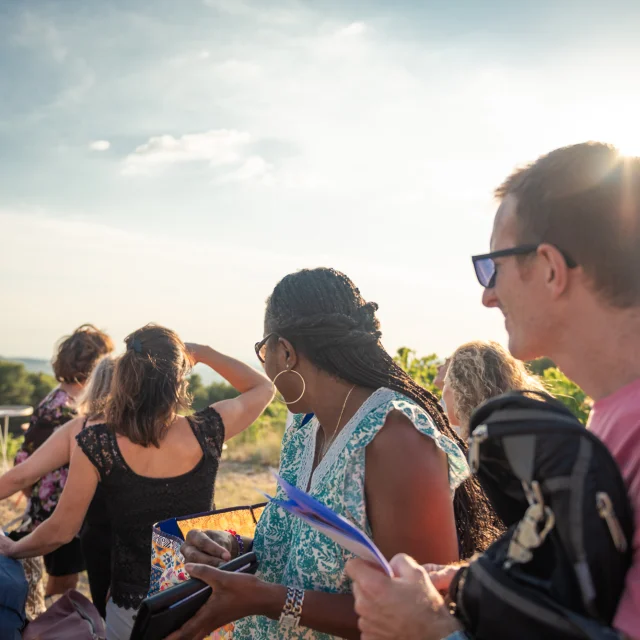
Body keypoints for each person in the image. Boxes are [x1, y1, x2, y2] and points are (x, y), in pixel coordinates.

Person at [347, 142, 640, 640]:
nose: (487, 295)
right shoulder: (614, 414)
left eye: (493, 266)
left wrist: (430, 631)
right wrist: (468, 585)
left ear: (549, 268)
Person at [166, 268, 500, 640]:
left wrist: (266, 600)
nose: (266, 364)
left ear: (286, 351)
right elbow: (301, 554)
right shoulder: (304, 429)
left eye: (264, 351)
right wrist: (234, 549)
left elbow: (421, 611)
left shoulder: (396, 436)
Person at [0, 324, 274, 640]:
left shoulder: (97, 443)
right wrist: (202, 352)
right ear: (178, 379)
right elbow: (263, 388)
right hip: (199, 595)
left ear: (124, 376)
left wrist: (15, 547)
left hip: (131, 604)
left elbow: (61, 529)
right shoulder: (208, 429)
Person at [0, 355, 116, 617]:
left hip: (97, 541)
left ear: (94, 386)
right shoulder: (159, 430)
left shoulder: (82, 429)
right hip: (156, 546)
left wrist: (14, 548)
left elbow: (21, 475)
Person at [442, 340, 545, 439]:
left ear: (461, 390)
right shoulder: (530, 426)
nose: (443, 393)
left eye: (446, 383)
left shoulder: (480, 444)